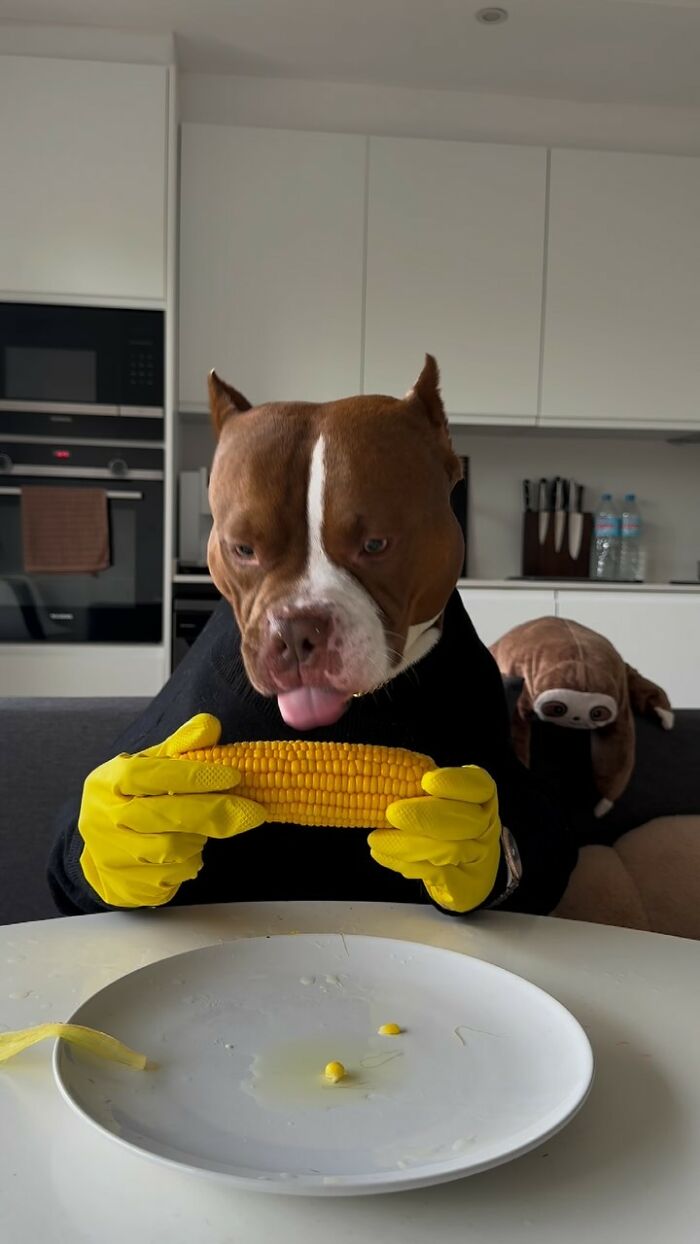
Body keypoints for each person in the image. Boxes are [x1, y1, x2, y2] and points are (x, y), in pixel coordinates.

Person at [48, 591, 577, 919]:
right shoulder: (216, 686)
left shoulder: (451, 674)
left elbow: (545, 849)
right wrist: (97, 862)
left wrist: (496, 865)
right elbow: (76, 870)